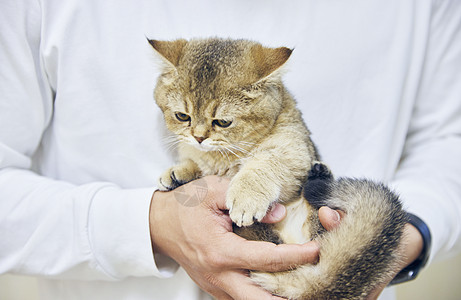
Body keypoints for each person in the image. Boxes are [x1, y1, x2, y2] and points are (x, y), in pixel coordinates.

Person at [1, 0, 460, 299]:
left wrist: (397, 241)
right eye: (182, 119)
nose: (198, 135)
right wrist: (147, 224)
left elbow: (449, 144)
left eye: (219, 123)